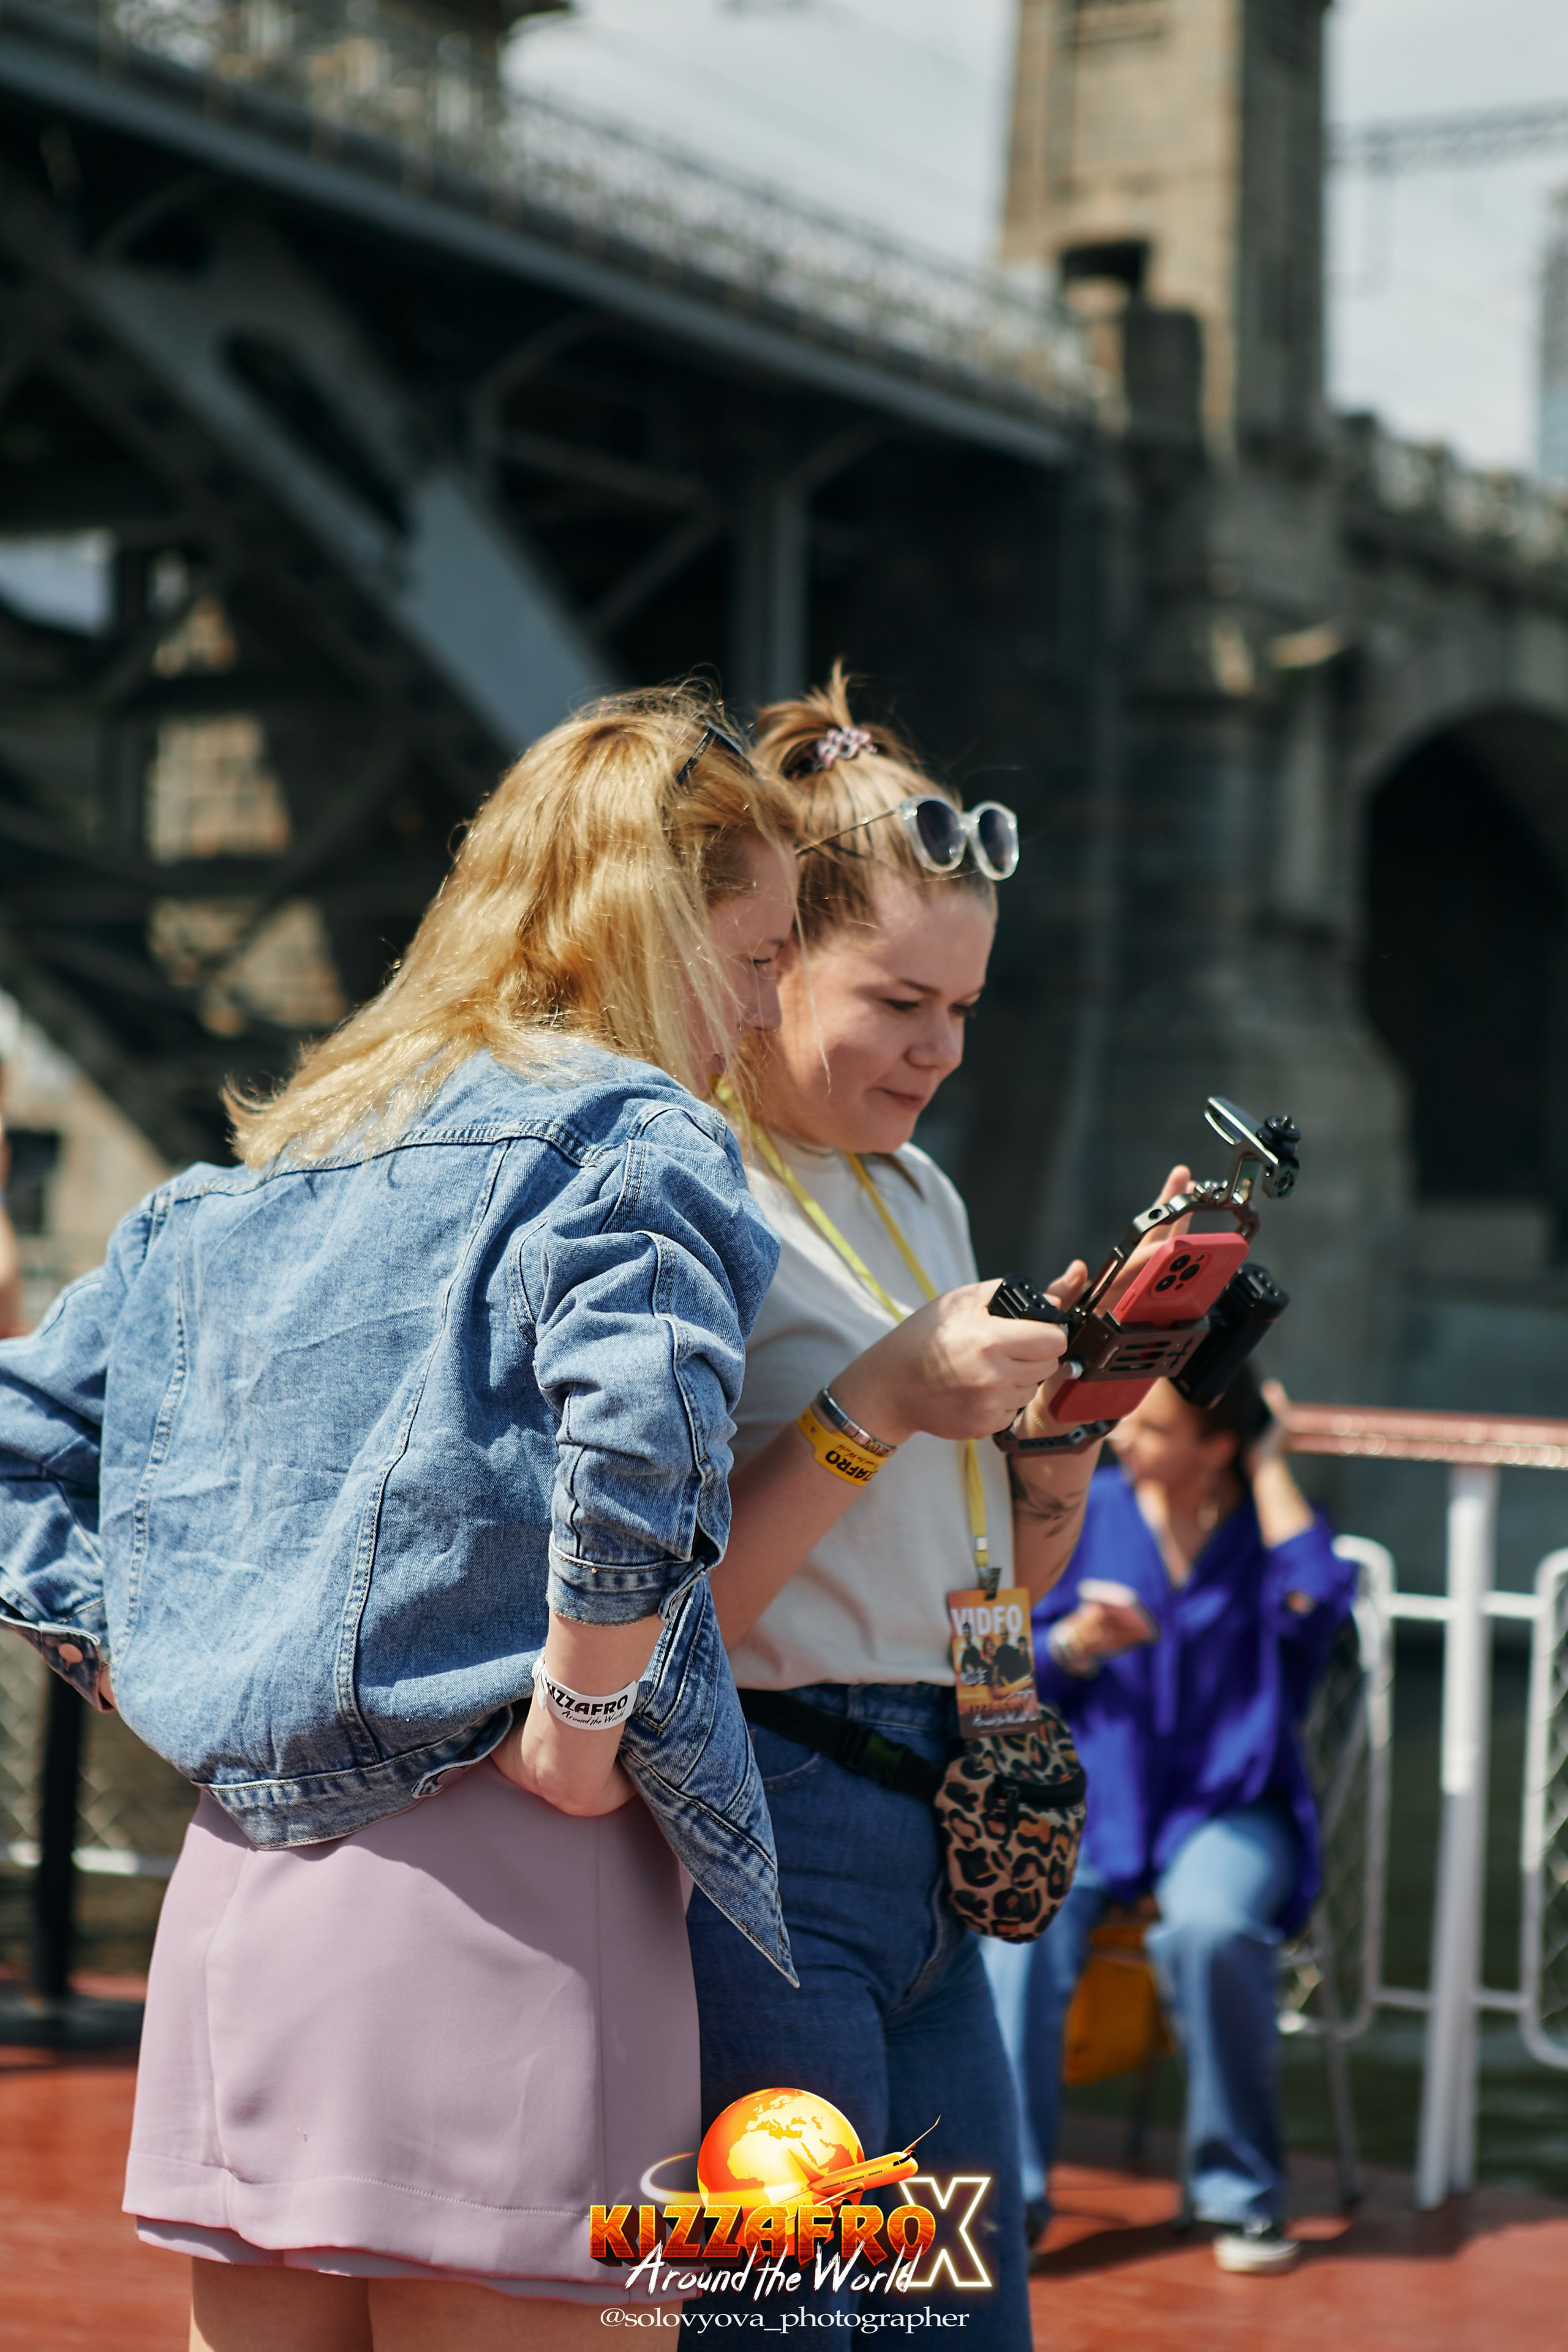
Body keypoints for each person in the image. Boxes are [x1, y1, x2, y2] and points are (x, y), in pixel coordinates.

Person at [0, 690, 801, 2352]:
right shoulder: (632, 1137)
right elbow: (641, 1436)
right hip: (518, 1876)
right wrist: (584, 1717)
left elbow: (15, 1444)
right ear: (662, 925)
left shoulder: (250, 1173)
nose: (771, 1003)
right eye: (765, 950)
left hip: (247, 1887)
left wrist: (137, 1663)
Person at [687, 671, 1183, 2348]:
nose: (941, 1050)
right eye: (898, 999)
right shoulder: (690, 1182)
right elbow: (674, 1613)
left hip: (942, 1827)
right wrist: (886, 1398)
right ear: (766, 965)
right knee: (791, 2324)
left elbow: (1010, 1578)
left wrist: (1059, 1442)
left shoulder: (921, 1189)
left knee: (971, 2332)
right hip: (772, 1822)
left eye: (963, 1008)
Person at [987, 1369, 1355, 2278]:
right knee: (1021, 1925)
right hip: (1090, 1804)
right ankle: (1011, 2199)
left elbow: (1319, 1602)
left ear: (1216, 1447)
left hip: (1230, 1810)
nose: (1121, 1439)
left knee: (1213, 1926)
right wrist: (1073, 1645)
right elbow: (987, 1667)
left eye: (1153, 1427)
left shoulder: (1266, 1538)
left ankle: (1242, 2192)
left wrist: (1269, 1463)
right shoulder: (1082, 1509)